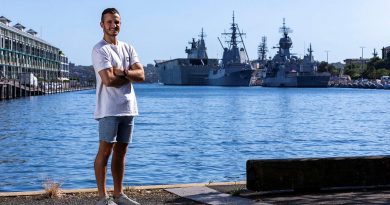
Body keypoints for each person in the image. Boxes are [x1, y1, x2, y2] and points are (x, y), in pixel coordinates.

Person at [91, 7, 145, 205]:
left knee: (121, 152)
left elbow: (141, 75)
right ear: (102, 25)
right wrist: (128, 74)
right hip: (108, 109)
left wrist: (122, 72)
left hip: (128, 107)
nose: (114, 25)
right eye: (109, 22)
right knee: (105, 150)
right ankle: (102, 198)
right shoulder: (99, 49)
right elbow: (107, 80)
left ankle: (118, 194)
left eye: (117, 22)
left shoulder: (128, 48)